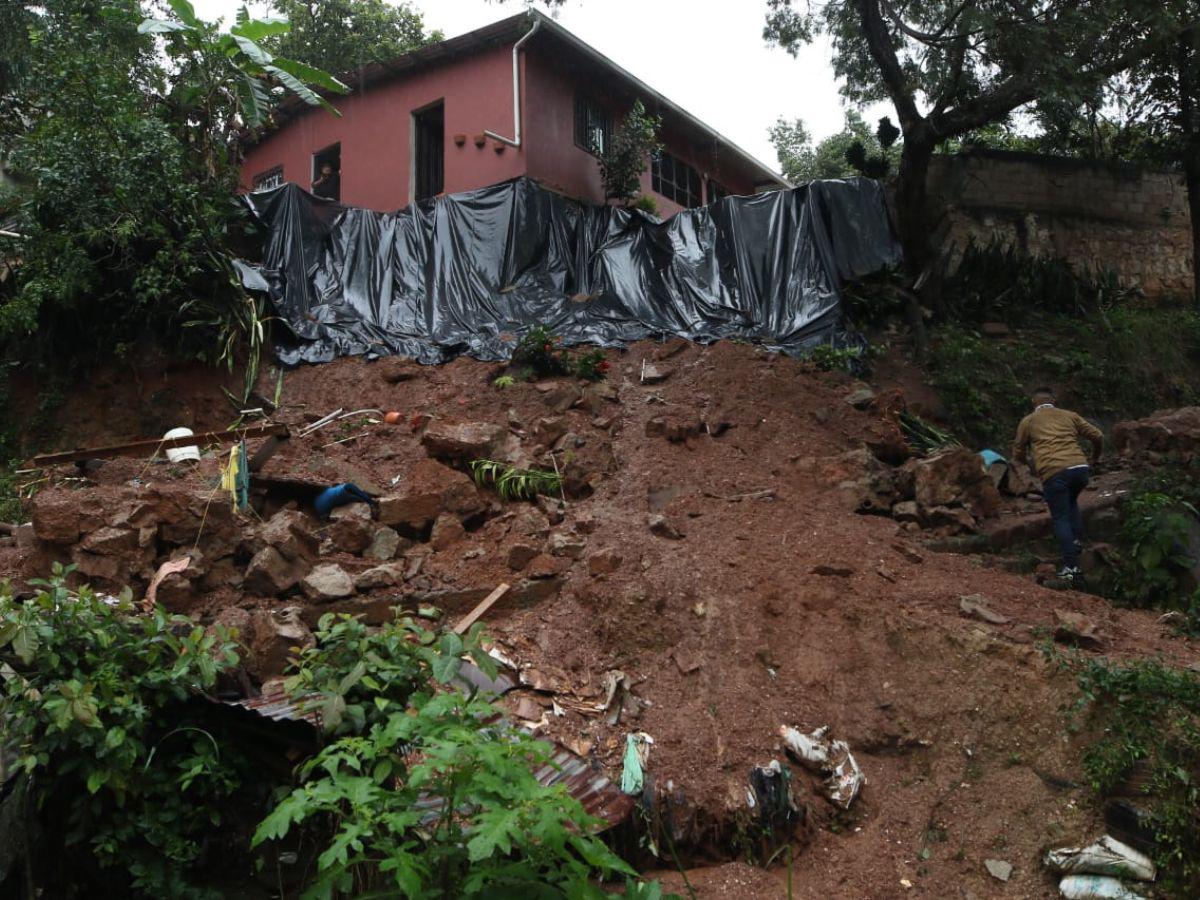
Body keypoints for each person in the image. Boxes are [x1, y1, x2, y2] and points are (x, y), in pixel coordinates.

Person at [1012, 388, 1103, 581]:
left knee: (1060, 517)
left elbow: (1018, 452)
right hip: (1080, 468)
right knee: (1070, 502)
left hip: (1054, 472)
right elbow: (1098, 436)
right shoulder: (1070, 415)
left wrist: (1032, 464)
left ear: (1033, 402)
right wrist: (1094, 458)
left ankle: (1071, 568)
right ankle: (1076, 542)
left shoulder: (1028, 421)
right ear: (1053, 400)